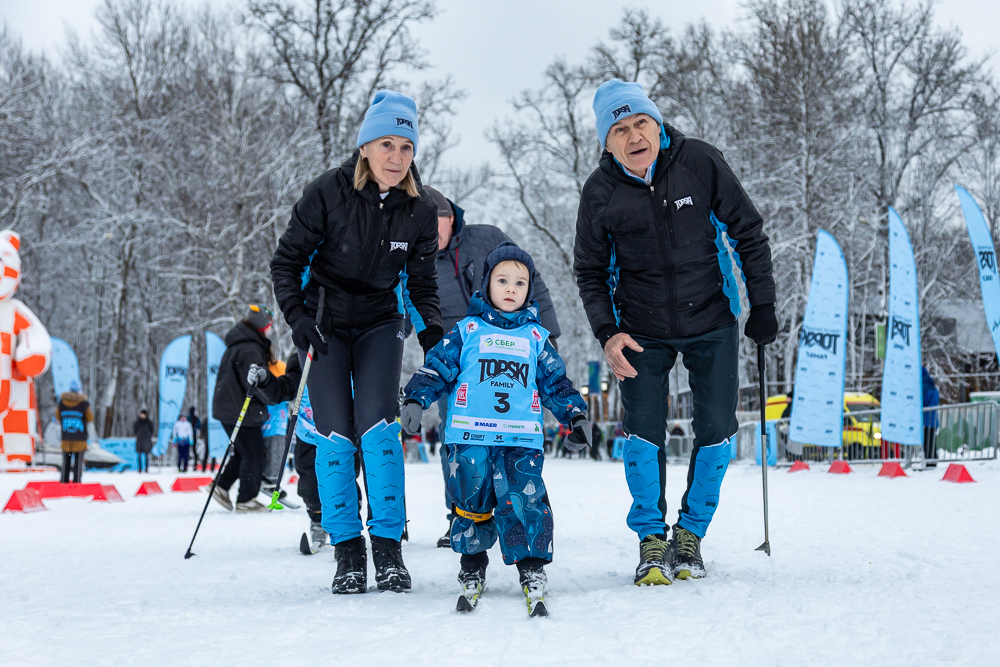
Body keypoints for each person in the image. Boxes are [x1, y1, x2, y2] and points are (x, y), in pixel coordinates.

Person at [574, 79, 777, 585]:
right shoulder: (599, 193)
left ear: (657, 123)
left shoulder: (699, 162)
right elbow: (590, 272)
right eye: (619, 129)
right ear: (607, 142)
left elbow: (747, 232)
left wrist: (763, 303)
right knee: (643, 431)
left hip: (712, 318)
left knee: (715, 428)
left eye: (641, 122)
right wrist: (607, 332)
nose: (634, 135)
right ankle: (650, 538)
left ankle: (690, 535)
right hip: (640, 330)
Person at [270, 90, 442, 594]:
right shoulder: (327, 192)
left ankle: (388, 549)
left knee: (379, 428)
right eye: (386, 144)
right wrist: (298, 317)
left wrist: (432, 334)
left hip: (379, 325)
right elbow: (286, 263)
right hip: (323, 325)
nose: (396, 157)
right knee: (336, 434)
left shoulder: (420, 208)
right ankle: (347, 552)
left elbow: (421, 284)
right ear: (365, 146)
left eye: (406, 147)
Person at [401, 242, 590, 615]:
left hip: (519, 440)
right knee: (470, 503)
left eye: (520, 283)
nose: (510, 289)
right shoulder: (467, 330)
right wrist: (415, 399)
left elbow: (556, 383)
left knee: (526, 500)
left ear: (528, 290)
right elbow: (438, 367)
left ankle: (531, 569)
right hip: (470, 437)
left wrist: (574, 416)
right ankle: (472, 566)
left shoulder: (536, 338)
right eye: (502, 280)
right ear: (486, 283)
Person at [418, 185, 566, 548]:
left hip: (513, 345)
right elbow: (406, 301)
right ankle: (462, 514)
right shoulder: (415, 257)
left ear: (450, 218)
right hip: (461, 356)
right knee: (459, 437)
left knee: (518, 434)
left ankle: (521, 506)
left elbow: (531, 280)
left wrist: (548, 334)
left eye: (432, 224)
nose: (425, 234)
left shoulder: (487, 238)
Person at [212, 305, 301, 513]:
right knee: (254, 453)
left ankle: (221, 486)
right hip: (239, 407)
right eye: (269, 325)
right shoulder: (250, 347)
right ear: (263, 326)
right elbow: (253, 379)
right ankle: (246, 499)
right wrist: (271, 396)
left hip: (228, 406)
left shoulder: (241, 343)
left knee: (244, 451)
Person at [56, 380, 94, 483]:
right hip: (80, 438)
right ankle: (77, 482)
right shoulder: (83, 403)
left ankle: (64, 481)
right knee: (78, 461)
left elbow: (58, 417)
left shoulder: (62, 403)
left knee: (66, 461)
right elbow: (90, 418)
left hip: (66, 437)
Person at [922, 367, 940, 467]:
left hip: (925, 419)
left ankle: (930, 461)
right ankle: (933, 459)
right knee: (931, 440)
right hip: (933, 419)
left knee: (926, 441)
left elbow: (922, 402)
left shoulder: (923, 387)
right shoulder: (933, 387)